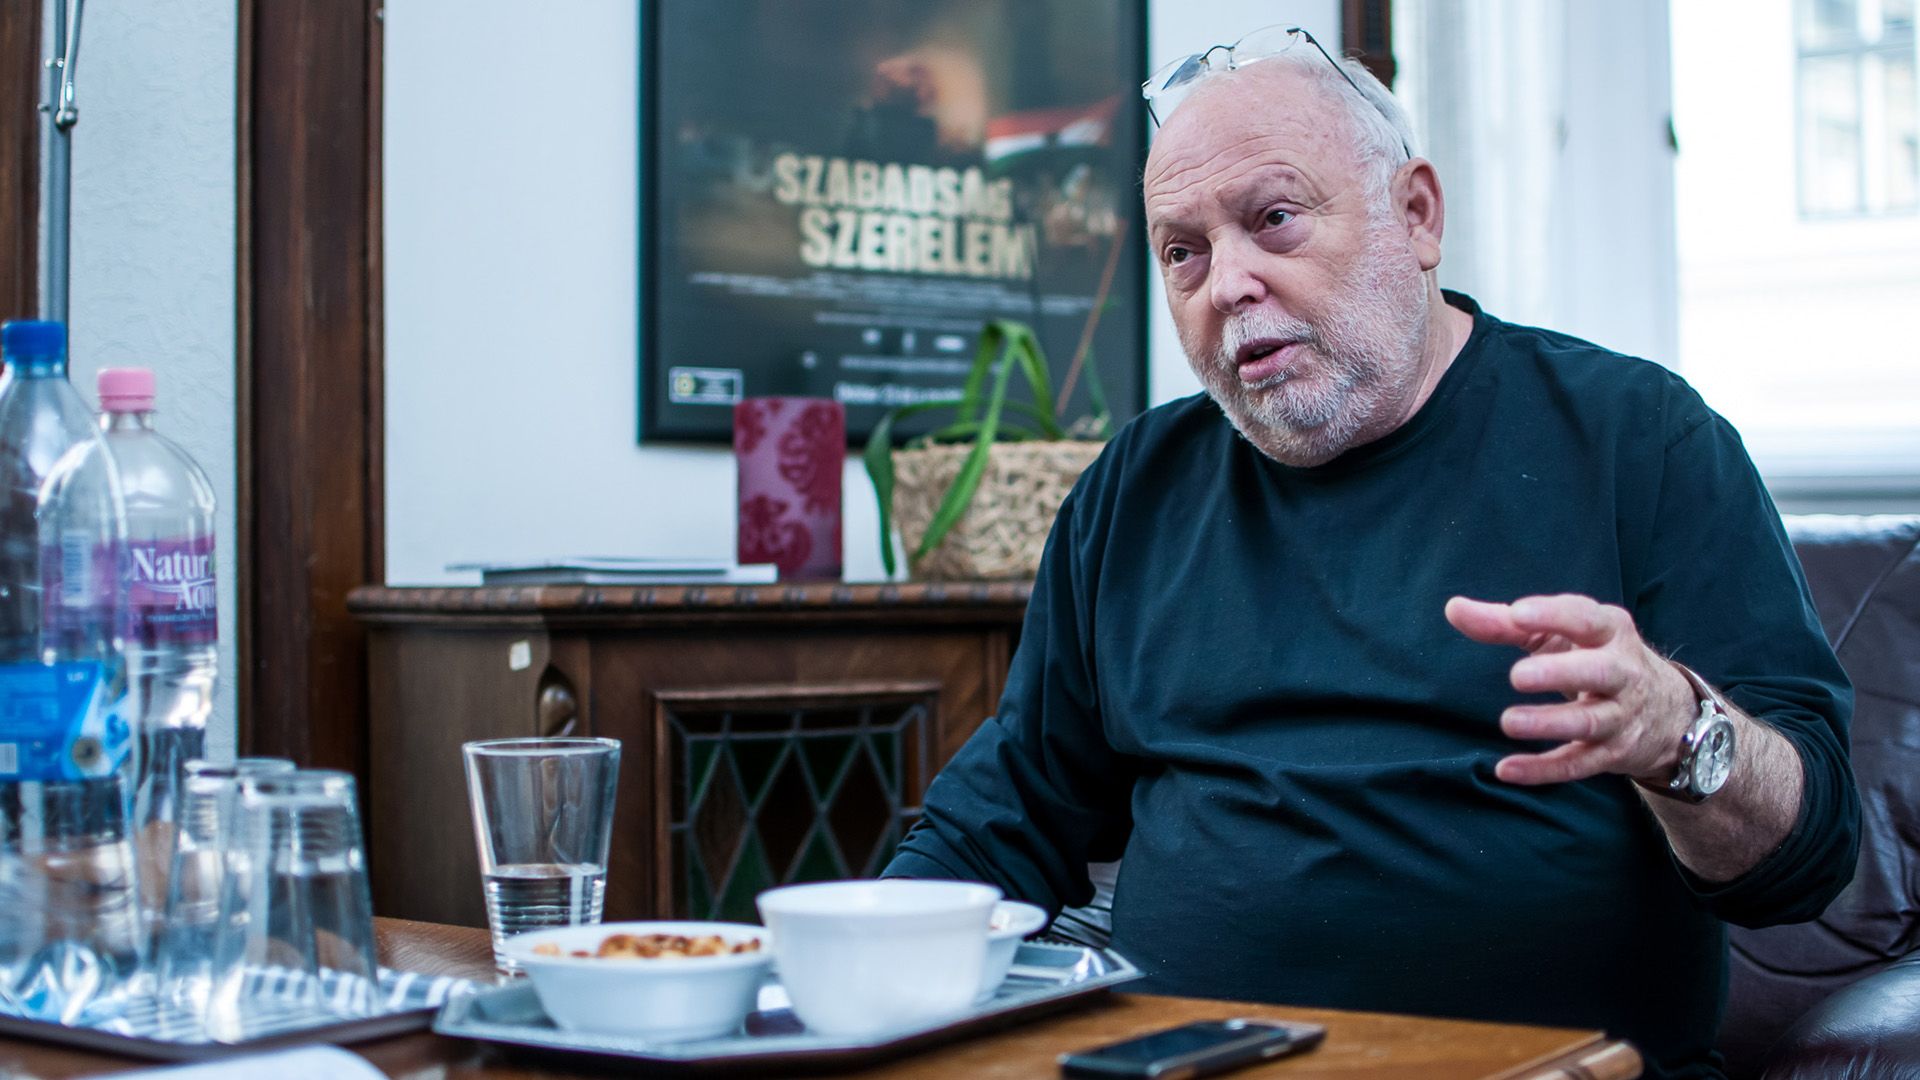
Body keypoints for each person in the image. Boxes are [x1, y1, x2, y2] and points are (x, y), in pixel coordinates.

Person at [883, 27, 1858, 1080]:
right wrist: (823, 981)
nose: (1228, 283)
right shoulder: (1135, 490)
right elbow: (1004, 818)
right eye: (1183, 251)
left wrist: (1675, 730)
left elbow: (1803, 862)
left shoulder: (1641, 440)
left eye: (1275, 219)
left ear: (1418, 214)